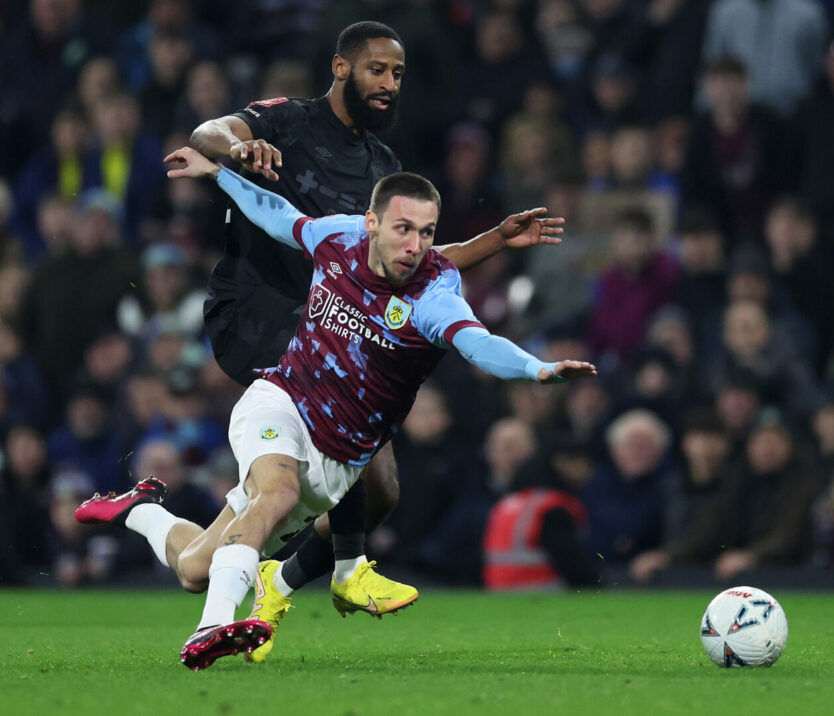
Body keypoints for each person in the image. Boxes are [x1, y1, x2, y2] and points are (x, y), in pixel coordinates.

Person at [76, 147, 597, 670]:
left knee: (195, 569)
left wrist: (535, 369)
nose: (415, 246)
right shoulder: (339, 238)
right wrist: (218, 173)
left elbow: (478, 344)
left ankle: (138, 510)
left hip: (336, 462)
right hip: (281, 400)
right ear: (372, 224)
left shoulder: (434, 296)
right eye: (403, 229)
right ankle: (211, 629)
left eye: (427, 233)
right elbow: (278, 215)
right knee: (276, 492)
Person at [186, 21, 564, 660]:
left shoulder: (383, 168)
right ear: (341, 68)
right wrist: (237, 151)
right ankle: (346, 567)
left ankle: (210, 547)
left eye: (398, 74)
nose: (390, 84)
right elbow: (207, 133)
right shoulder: (287, 121)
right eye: (377, 70)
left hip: (328, 316)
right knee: (319, 473)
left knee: (379, 490)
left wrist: (494, 240)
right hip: (257, 309)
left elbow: (413, 257)